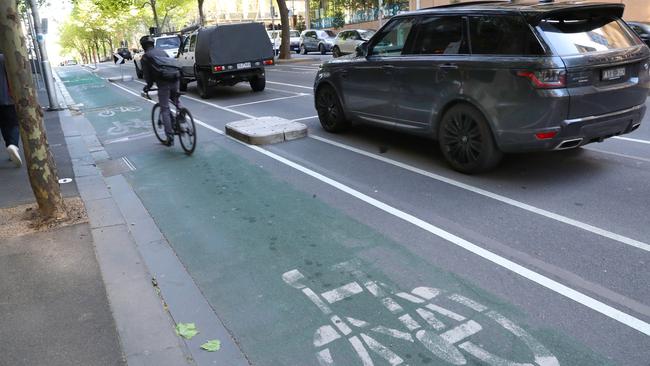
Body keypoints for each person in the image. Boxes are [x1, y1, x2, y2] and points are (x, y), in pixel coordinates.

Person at [139, 35, 180, 146]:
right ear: (153, 44)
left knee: (165, 109)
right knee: (176, 100)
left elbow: (147, 75)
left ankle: (169, 137)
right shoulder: (163, 52)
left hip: (164, 83)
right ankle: (181, 117)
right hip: (176, 79)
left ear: (143, 46)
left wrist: (148, 86)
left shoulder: (145, 57)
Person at [0, 53, 22, 167]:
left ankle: (10, 149)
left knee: (3, 125)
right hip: (7, 98)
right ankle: (12, 145)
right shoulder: (5, 58)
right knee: (13, 124)